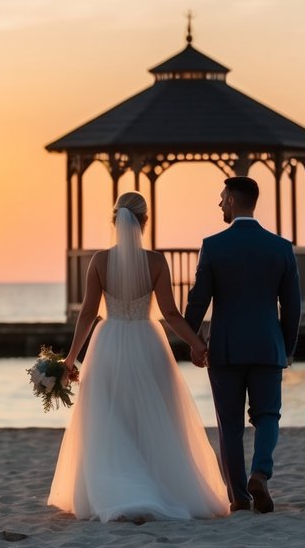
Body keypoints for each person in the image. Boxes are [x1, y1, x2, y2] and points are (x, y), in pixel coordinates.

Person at [47, 192, 230, 523]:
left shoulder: (99, 261)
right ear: (144, 221)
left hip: (109, 342)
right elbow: (172, 314)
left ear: (114, 220)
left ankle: (118, 491)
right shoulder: (157, 262)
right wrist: (198, 343)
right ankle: (154, 486)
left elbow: (87, 314)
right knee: (153, 418)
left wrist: (71, 360)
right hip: (147, 342)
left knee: (110, 419)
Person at [184, 176, 302, 514]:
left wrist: (193, 341)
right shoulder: (281, 247)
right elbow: (292, 307)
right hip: (268, 346)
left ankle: (238, 496)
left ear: (233, 200)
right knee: (268, 416)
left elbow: (198, 301)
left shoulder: (214, 245)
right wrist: (287, 347)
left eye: (222, 198)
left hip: (226, 348)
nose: (220, 204)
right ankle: (260, 472)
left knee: (230, 425)